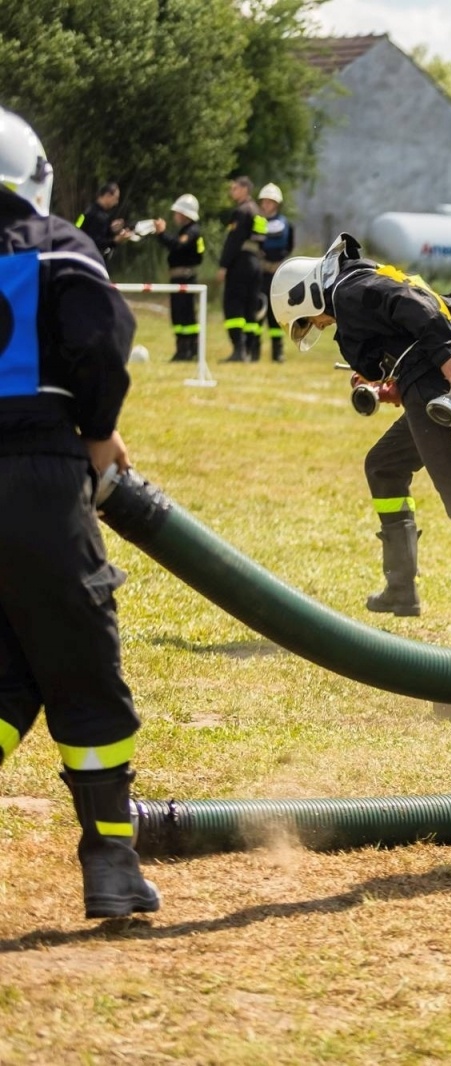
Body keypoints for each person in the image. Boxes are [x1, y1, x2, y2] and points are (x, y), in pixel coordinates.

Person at [0, 108, 160, 918]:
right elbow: (100, 343)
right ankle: (111, 861)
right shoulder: (58, 242)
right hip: (36, 475)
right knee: (79, 660)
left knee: (8, 665)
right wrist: (98, 433)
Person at [270, 234, 451, 652]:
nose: (318, 326)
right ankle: (400, 587)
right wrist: (398, 383)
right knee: (384, 464)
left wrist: (441, 357)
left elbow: (412, 305)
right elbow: (418, 320)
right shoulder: (361, 280)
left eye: (309, 321)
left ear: (304, 297)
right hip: (426, 384)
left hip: (436, 384)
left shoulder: (351, 290)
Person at [218, 175, 266, 362]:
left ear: (245, 189)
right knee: (250, 307)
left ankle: (238, 349)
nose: (232, 192)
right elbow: (262, 241)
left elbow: (234, 241)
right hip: (255, 264)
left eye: (235, 189)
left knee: (234, 306)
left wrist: (223, 265)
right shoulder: (259, 213)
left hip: (240, 264)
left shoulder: (241, 212)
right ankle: (250, 350)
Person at [153, 193, 205, 362]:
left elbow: (178, 246)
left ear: (184, 214)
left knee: (187, 315)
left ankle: (191, 350)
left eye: (177, 213)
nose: (175, 216)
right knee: (178, 315)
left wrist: (162, 234)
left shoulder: (191, 231)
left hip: (186, 278)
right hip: (178, 279)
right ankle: (182, 349)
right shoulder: (185, 230)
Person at [257, 183, 294, 362]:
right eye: (264, 201)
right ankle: (253, 349)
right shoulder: (257, 221)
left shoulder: (283, 223)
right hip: (260, 272)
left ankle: (277, 352)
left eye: (270, 201)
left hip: (276, 274)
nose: (266, 204)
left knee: (275, 313)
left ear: (276, 204)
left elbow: (283, 245)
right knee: (257, 309)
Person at [75, 181, 132, 261]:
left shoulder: (88, 211)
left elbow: (78, 228)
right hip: (88, 260)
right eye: (115, 198)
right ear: (107, 195)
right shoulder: (99, 217)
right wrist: (115, 240)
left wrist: (111, 229)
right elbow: (95, 243)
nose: (116, 203)